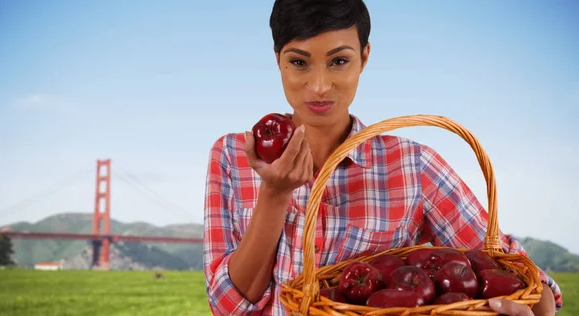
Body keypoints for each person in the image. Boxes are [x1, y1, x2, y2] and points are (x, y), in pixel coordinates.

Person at [202, 0, 563, 315]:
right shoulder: (232, 156)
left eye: (339, 61)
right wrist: (274, 194)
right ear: (278, 60)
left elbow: (513, 268)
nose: (319, 85)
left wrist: (534, 307)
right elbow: (228, 306)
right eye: (299, 62)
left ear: (364, 58)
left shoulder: (412, 165)